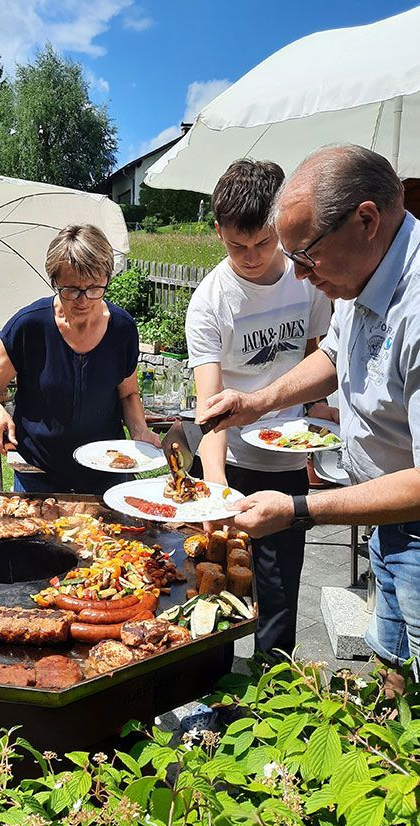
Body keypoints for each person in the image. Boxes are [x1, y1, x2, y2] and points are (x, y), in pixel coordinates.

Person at [200, 144, 420, 678]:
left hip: (414, 526)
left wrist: (301, 509)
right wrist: (255, 403)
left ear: (366, 219)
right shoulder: (363, 277)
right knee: (391, 663)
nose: (298, 275)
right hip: (386, 521)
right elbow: (331, 353)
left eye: (305, 255)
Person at [185, 159, 332, 656]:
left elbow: (316, 355)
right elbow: (211, 407)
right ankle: (215, 699)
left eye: (263, 243)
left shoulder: (308, 277)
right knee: (217, 593)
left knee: (280, 594)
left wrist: (323, 410)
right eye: (236, 246)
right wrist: (215, 491)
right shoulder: (210, 301)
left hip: (288, 461)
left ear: (280, 226)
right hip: (228, 464)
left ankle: (274, 700)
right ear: (218, 231)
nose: (250, 257)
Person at [0, 224, 160, 494]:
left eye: (94, 288)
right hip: (37, 475)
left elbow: (128, 395)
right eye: (71, 289)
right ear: (54, 282)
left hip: (106, 474)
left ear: (107, 278)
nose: (83, 300)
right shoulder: (29, 326)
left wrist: (140, 431)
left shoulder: (122, 328)